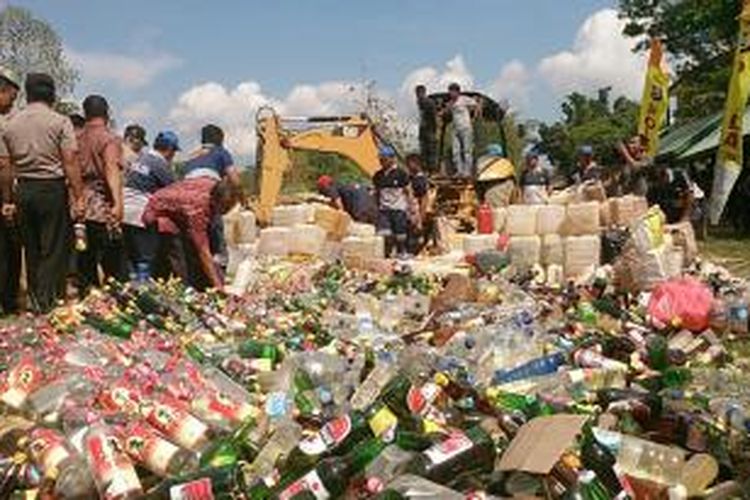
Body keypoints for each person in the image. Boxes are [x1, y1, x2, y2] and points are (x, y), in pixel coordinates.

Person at [0, 73, 84, 312]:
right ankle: (46, 303)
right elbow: (70, 161)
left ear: (27, 94)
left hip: (23, 189)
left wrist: (8, 200)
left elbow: (5, 166)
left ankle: (36, 298)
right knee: (54, 248)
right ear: (52, 94)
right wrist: (78, 197)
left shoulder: (10, 124)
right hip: (51, 188)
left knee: (32, 248)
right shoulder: (60, 121)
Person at [142, 178, 241, 291]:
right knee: (178, 258)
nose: (226, 212)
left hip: (176, 211)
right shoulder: (198, 209)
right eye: (225, 208)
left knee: (192, 253)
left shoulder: (214, 186)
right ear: (215, 201)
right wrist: (218, 285)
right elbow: (203, 251)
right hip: (158, 212)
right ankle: (182, 290)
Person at [76, 95, 127, 291]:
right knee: (114, 262)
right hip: (102, 205)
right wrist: (117, 203)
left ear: (85, 113)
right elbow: (111, 168)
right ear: (107, 113)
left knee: (85, 258)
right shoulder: (109, 138)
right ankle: (116, 302)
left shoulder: (76, 137)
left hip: (79, 205)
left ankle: (88, 299)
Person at [123, 131, 179, 281]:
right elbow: (175, 191)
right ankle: (143, 295)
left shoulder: (141, 158)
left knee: (131, 257)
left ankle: (129, 293)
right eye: (174, 152)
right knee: (146, 257)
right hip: (140, 214)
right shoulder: (159, 164)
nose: (173, 156)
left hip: (125, 213)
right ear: (169, 149)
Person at [183, 124, 243, 261]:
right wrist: (241, 198)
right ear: (220, 140)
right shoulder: (221, 152)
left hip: (185, 192)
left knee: (195, 230)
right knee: (215, 221)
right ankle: (220, 259)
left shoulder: (191, 156)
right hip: (205, 191)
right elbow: (235, 180)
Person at [0, 66, 21, 315]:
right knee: (9, 247)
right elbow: (5, 166)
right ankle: (8, 300)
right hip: (4, 192)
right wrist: (7, 201)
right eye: (11, 98)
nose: (12, 104)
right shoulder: (5, 124)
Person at [373, 145, 412, 258]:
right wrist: (375, 208)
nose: (382, 161)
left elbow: (408, 192)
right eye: (380, 159)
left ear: (392, 159)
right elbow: (377, 193)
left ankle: (402, 252)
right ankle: (387, 254)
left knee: (400, 234)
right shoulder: (378, 176)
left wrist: (412, 209)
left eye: (384, 159)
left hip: (398, 209)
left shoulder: (401, 174)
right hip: (384, 210)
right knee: (384, 233)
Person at [445, 83, 477, 178]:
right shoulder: (451, 103)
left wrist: (473, 117)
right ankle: (459, 171)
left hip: (465, 128)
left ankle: (467, 172)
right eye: (450, 91)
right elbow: (446, 111)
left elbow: (476, 104)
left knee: (466, 150)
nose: (451, 93)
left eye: (452, 91)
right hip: (455, 129)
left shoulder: (464, 99)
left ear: (457, 92)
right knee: (455, 151)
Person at [476, 144, 517, 208]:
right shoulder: (506, 164)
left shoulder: (481, 163)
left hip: (491, 189)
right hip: (505, 186)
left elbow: (479, 184)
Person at [405, 153, 430, 254]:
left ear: (416, 164)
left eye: (409, 163)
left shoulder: (420, 180)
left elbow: (424, 199)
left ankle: (414, 252)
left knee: (415, 234)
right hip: (409, 210)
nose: (408, 166)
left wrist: (421, 215)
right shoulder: (410, 178)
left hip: (416, 211)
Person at [415, 85, 438, 172]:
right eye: (417, 93)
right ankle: (425, 169)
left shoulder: (429, 102)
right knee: (423, 151)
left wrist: (434, 130)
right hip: (422, 130)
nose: (418, 95)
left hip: (430, 130)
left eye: (419, 93)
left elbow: (434, 117)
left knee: (431, 150)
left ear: (423, 92)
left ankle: (432, 170)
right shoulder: (419, 103)